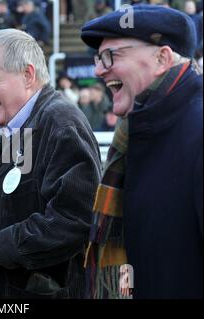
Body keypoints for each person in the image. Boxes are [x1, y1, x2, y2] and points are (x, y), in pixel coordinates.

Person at [0, 29, 102, 299]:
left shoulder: (61, 124)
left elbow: (73, 221)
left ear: (27, 75)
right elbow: (5, 207)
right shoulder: (19, 125)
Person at [81, 4, 203, 298]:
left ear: (162, 58)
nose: (99, 69)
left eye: (111, 56)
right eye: (98, 58)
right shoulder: (136, 132)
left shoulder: (197, 128)